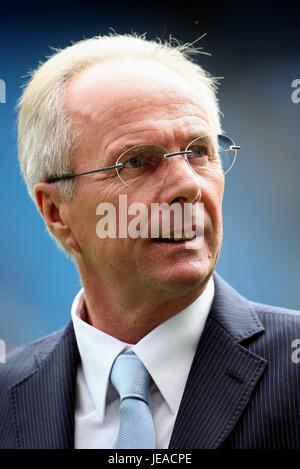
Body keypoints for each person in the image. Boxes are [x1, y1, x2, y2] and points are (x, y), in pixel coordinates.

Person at [0, 33, 299, 449]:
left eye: (199, 152)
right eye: (137, 162)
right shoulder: (7, 399)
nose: (188, 186)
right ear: (56, 212)